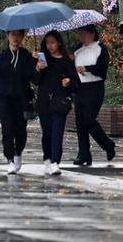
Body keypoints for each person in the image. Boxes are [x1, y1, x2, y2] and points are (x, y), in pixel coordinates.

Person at [0, 29, 37, 174]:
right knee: (7, 128)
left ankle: (18, 152)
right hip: (3, 98)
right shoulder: (0, 58)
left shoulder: (26, 56)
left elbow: (34, 78)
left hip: (22, 98)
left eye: (19, 35)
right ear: (8, 36)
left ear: (22, 37)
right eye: (13, 35)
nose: (15, 38)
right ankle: (10, 159)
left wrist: (36, 63)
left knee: (20, 130)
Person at [35, 30, 79, 175]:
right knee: (47, 132)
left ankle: (55, 161)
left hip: (60, 100)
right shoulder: (42, 59)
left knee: (57, 132)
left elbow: (75, 81)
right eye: (47, 43)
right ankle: (47, 158)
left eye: (52, 42)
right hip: (44, 101)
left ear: (59, 42)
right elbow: (35, 80)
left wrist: (69, 81)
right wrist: (37, 68)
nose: (50, 46)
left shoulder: (66, 60)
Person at [72, 25, 116, 166]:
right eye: (80, 33)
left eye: (84, 33)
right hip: (80, 88)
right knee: (80, 123)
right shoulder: (77, 49)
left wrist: (87, 68)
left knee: (89, 120)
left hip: (95, 88)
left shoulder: (100, 48)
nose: (82, 36)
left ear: (92, 34)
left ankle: (108, 145)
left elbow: (102, 70)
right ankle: (83, 153)